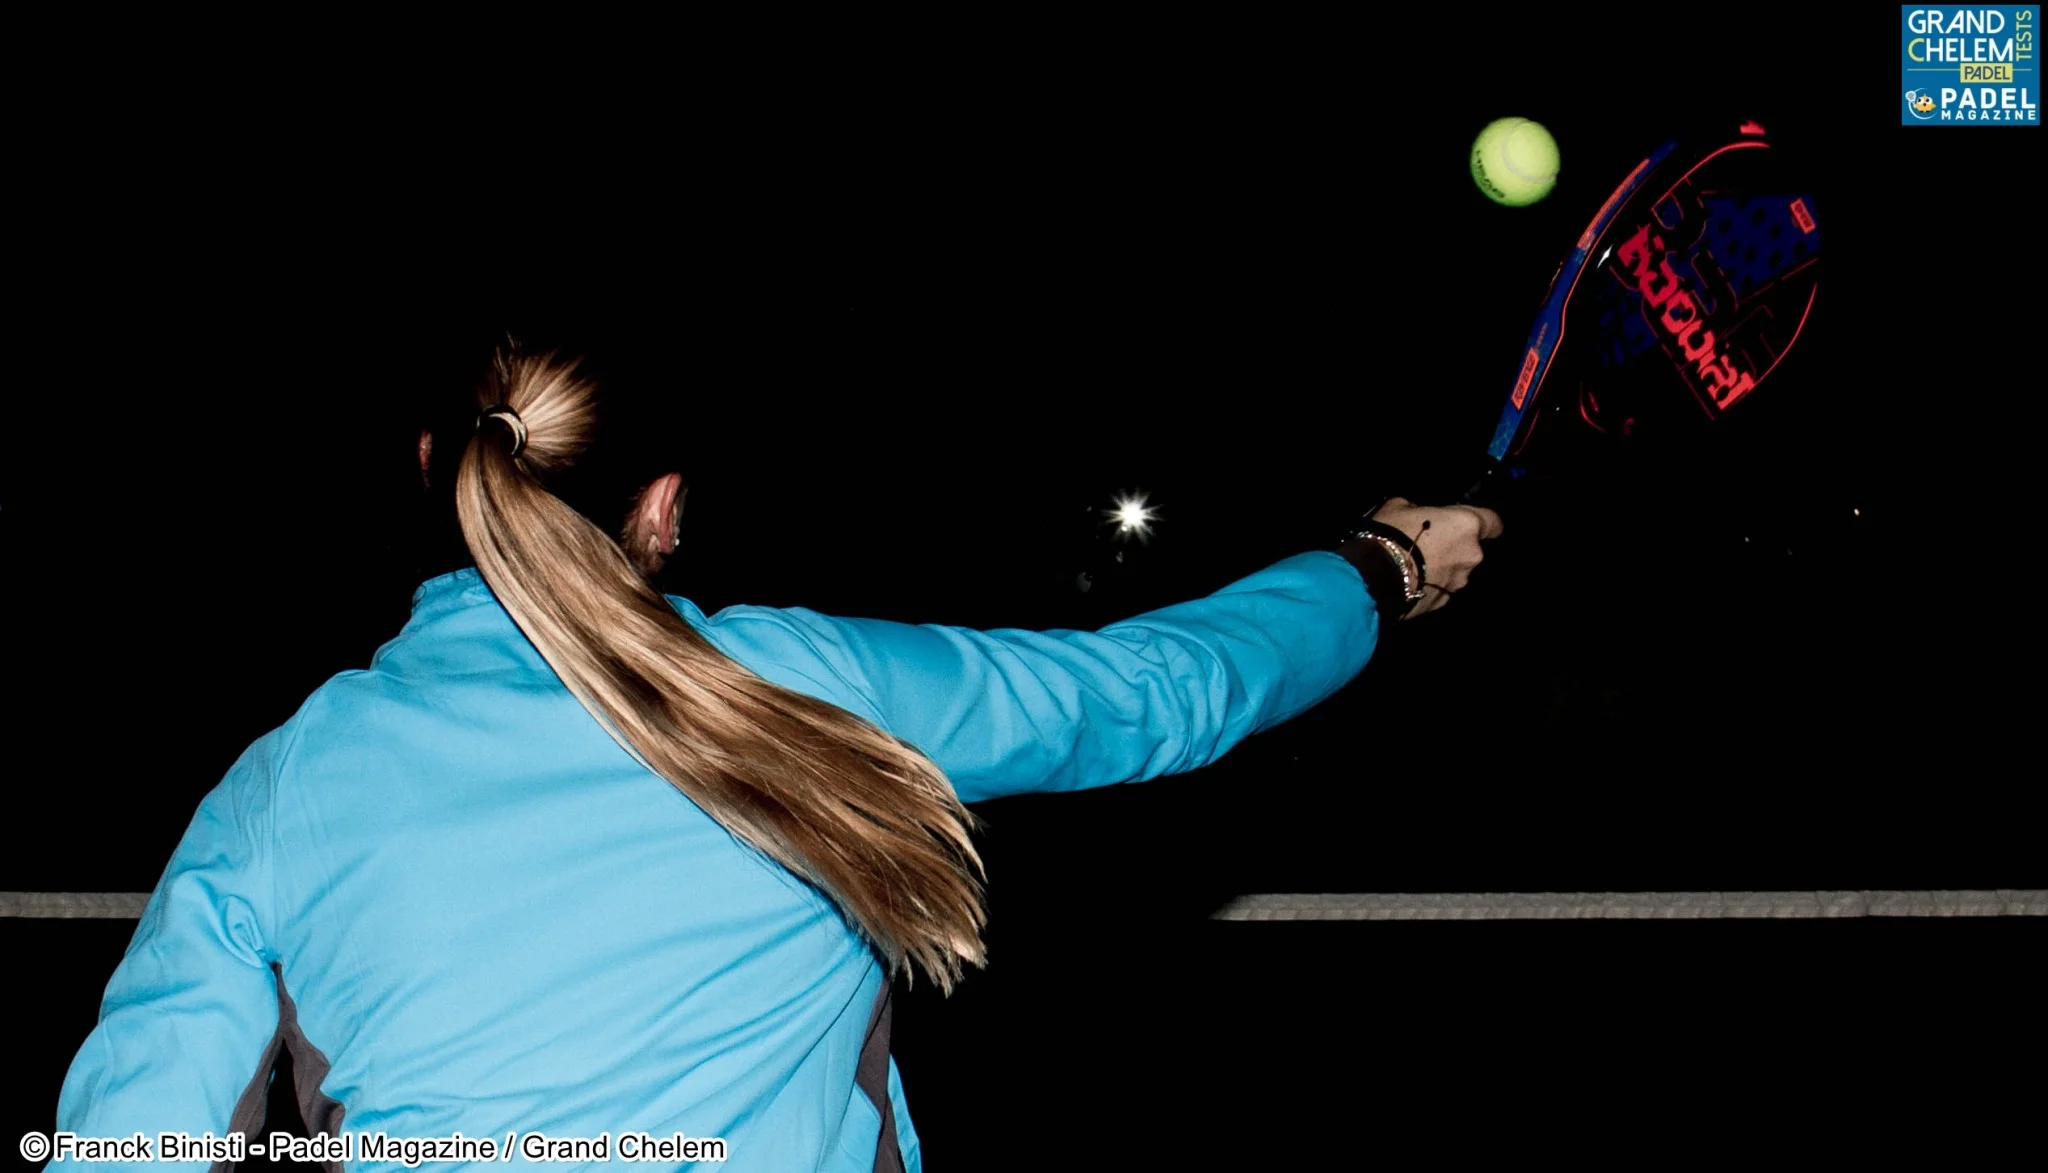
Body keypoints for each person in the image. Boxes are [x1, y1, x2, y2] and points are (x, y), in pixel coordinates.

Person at [55, 349, 1501, 1172]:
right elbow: (1160, 691)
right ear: (665, 510)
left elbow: (132, 1150)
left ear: (432, 467)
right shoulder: (802, 688)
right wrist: (1376, 568)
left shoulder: (280, 790)